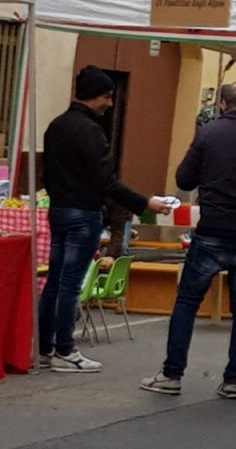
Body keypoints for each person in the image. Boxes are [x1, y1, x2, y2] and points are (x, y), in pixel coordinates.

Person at [141, 81, 236, 399]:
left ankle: (172, 374)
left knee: (187, 302)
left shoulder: (208, 134)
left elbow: (184, 179)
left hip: (212, 229)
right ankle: (233, 380)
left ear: (223, 103)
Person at [40, 66, 168, 373]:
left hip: (59, 210)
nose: (109, 104)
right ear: (95, 96)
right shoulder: (90, 131)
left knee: (54, 281)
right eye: (107, 97)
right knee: (70, 284)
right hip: (83, 212)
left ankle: (44, 347)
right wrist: (145, 203)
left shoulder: (56, 126)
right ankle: (65, 349)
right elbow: (105, 181)